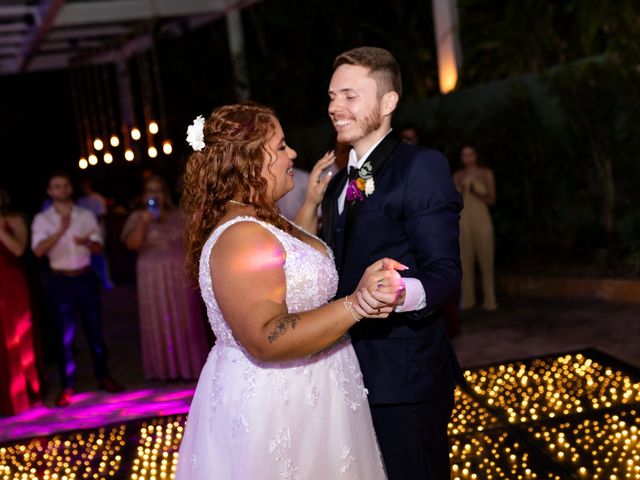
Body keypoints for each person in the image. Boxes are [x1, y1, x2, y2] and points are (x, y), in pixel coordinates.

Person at [175, 103, 405, 479]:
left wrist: (311, 202)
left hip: (314, 392)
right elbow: (267, 336)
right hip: (280, 406)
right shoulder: (241, 238)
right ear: (248, 160)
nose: (292, 154)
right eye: (281, 147)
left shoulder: (260, 219)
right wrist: (357, 303)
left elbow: (284, 269)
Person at [296, 47, 463, 480]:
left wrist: (399, 292)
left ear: (388, 103)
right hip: (347, 373)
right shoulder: (336, 186)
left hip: (404, 377)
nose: (335, 107)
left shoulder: (421, 167)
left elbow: (444, 273)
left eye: (350, 96)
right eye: (332, 96)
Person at [31, 172, 123, 407]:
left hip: (85, 278)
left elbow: (98, 248)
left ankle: (103, 377)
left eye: (64, 185)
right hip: (60, 281)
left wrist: (88, 243)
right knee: (64, 336)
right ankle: (67, 385)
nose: (61, 189)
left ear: (70, 189)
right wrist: (61, 231)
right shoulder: (42, 219)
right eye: (56, 186)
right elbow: (38, 251)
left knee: (95, 331)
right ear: (50, 191)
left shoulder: (86, 215)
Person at [121, 175, 208, 380]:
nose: (155, 195)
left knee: (186, 318)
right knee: (156, 318)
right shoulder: (137, 217)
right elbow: (132, 245)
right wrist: (143, 222)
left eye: (158, 190)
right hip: (150, 275)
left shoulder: (180, 215)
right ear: (144, 196)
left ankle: (190, 368)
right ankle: (163, 370)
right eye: (150, 190)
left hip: (179, 274)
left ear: (165, 193)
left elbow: (196, 242)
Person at [0, 188, 41, 415]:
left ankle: (23, 392)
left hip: (11, 284)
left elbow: (18, 250)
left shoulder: (15, 219)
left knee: (16, 337)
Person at [453, 144, 497, 311]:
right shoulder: (457, 175)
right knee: (464, 260)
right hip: (464, 219)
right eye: (464, 155)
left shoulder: (485, 173)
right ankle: (468, 299)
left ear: (476, 155)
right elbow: (453, 201)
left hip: (481, 217)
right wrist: (463, 190)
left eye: (471, 154)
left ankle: (490, 300)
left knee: (486, 258)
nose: (468, 158)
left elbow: (492, 200)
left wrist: (474, 191)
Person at [77, 178, 114, 290]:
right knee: (87, 258)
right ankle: (93, 282)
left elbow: (101, 215)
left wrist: (91, 228)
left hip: (96, 233)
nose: (84, 188)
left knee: (100, 257)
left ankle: (106, 280)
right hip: (83, 234)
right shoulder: (80, 200)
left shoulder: (97, 198)